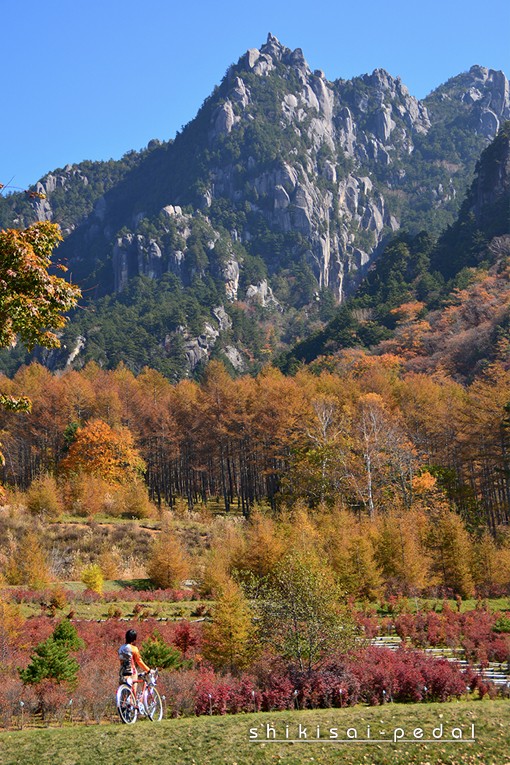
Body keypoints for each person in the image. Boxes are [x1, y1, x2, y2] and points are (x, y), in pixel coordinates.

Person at [118, 629, 151, 709]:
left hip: (122, 672)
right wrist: (148, 670)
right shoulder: (134, 648)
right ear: (134, 639)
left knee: (124, 694)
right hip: (131, 671)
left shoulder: (120, 648)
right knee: (133, 691)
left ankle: (125, 711)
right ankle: (132, 707)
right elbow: (139, 661)